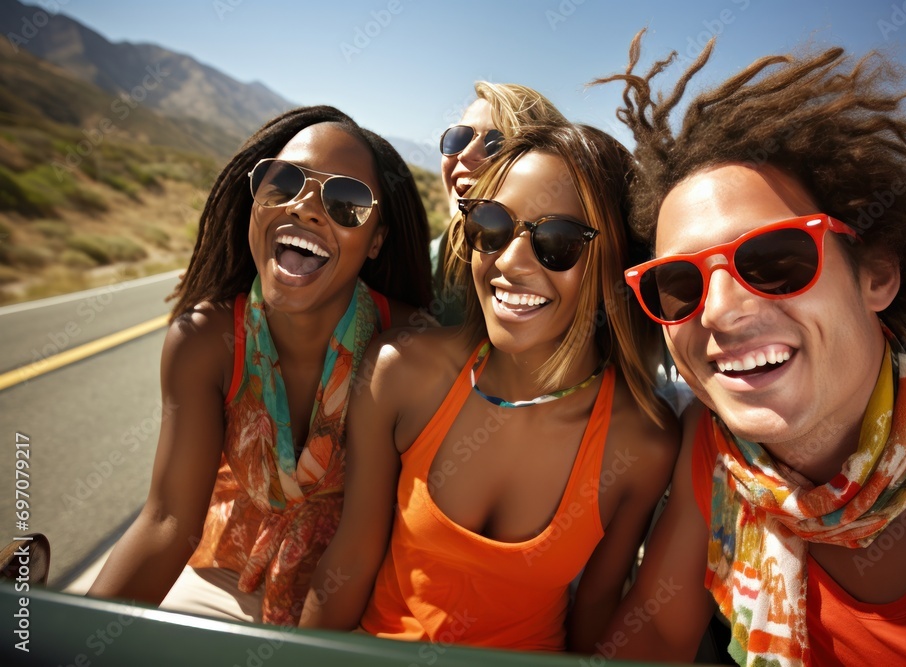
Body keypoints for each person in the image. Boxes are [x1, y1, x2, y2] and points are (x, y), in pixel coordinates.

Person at [594, 32, 906, 666]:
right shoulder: (718, 452)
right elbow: (656, 638)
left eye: (774, 260)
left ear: (877, 273)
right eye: (678, 284)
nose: (719, 311)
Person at [299, 123, 680, 653]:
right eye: (492, 225)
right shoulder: (400, 372)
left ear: (619, 262)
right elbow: (351, 559)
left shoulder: (644, 443)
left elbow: (595, 609)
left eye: (558, 240)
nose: (510, 262)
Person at [87, 106, 433, 626]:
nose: (305, 208)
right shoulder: (204, 341)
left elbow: (360, 548)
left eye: (346, 202)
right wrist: (73, 641)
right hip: (228, 572)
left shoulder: (405, 348)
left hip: (359, 600)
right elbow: (168, 521)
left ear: (376, 240)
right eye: (284, 182)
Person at [431, 82, 568, 325]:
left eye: (497, 143)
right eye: (458, 138)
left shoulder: (559, 265)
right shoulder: (427, 260)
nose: (465, 154)